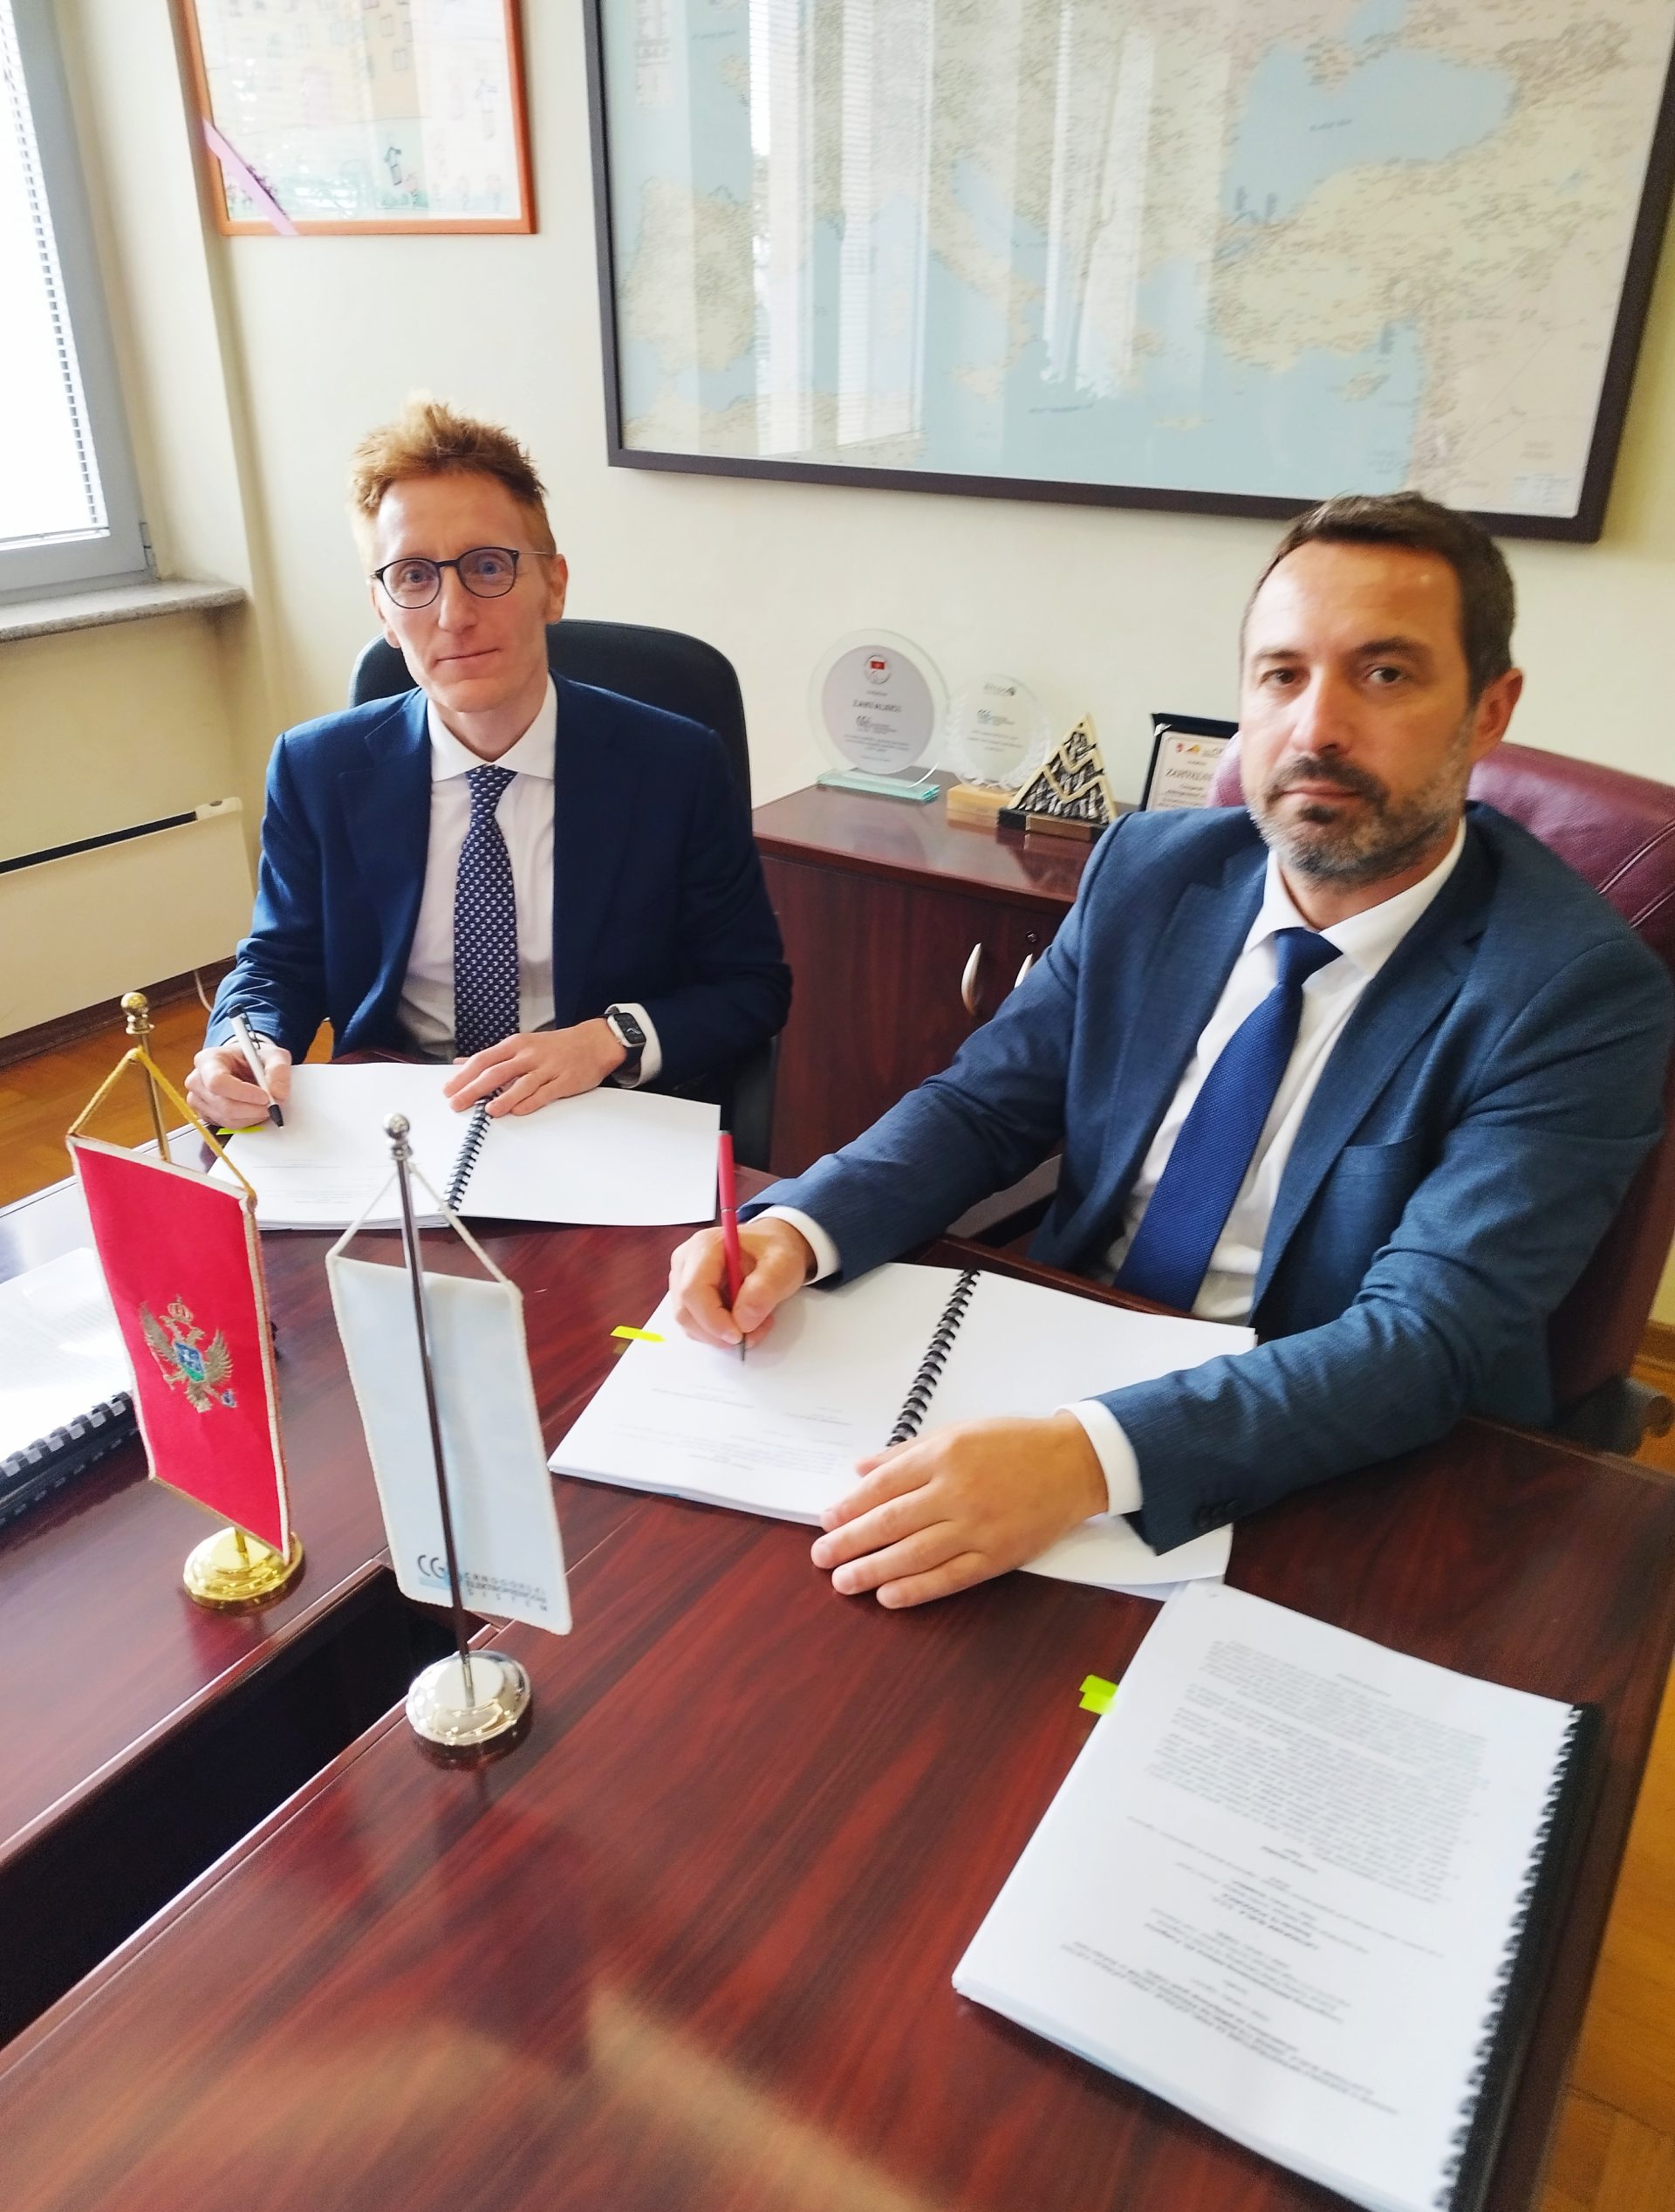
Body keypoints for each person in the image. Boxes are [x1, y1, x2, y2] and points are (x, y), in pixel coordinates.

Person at [670, 492, 1672, 1609]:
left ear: (1489, 710)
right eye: (1282, 674)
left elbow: (1426, 1336)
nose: (1317, 728)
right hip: (1059, 1359)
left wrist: (1087, 1459)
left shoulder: (1574, 991)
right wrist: (798, 1229)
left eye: (1385, 674)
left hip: (1336, 1462)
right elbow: (983, 1106)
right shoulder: (1150, 869)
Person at [187, 398, 789, 1128]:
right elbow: (279, 961)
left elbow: (750, 985)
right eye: (414, 577)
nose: (454, 614)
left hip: (598, 1107)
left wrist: (608, 1039)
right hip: (399, 1113)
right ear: (382, 610)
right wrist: (242, 1043)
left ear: (553, 586)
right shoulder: (315, 768)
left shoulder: (676, 766)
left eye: (488, 566)